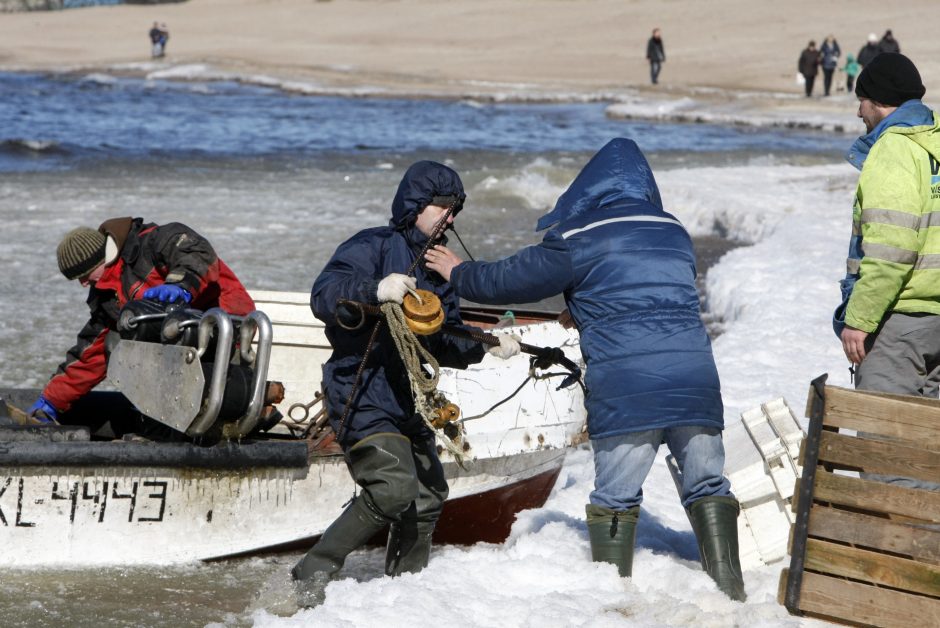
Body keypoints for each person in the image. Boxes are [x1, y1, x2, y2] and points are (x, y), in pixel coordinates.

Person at [425, 138, 747, 601]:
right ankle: (731, 592)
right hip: (695, 380)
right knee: (708, 485)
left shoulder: (579, 237)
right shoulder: (673, 229)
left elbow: (511, 280)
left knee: (616, 499)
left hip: (628, 387)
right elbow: (647, 292)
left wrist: (458, 272)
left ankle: (613, 599)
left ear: (590, 186)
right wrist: (586, 305)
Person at [291, 161, 517, 601]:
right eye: (443, 207)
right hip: (361, 387)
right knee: (394, 488)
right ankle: (312, 572)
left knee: (429, 495)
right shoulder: (372, 245)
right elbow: (325, 293)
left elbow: (443, 339)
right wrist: (375, 289)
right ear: (415, 206)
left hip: (409, 396)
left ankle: (403, 594)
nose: (450, 217)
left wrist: (486, 344)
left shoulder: (440, 269)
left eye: (456, 209)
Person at [27, 217, 255, 425]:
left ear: (99, 260)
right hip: (173, 341)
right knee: (116, 343)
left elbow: (196, 253)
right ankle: (160, 424)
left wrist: (180, 285)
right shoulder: (106, 295)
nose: (84, 284)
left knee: (169, 338)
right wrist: (52, 399)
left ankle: (225, 413)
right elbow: (91, 353)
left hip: (222, 322)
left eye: (84, 276)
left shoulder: (151, 243)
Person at [834, 53, 940, 491]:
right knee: (927, 452)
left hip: (901, 323)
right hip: (935, 322)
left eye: (861, 100)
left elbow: (892, 249)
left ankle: (893, 555)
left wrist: (859, 320)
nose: (858, 110)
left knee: (887, 454)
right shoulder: (934, 143)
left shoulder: (894, 149)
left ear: (877, 101)